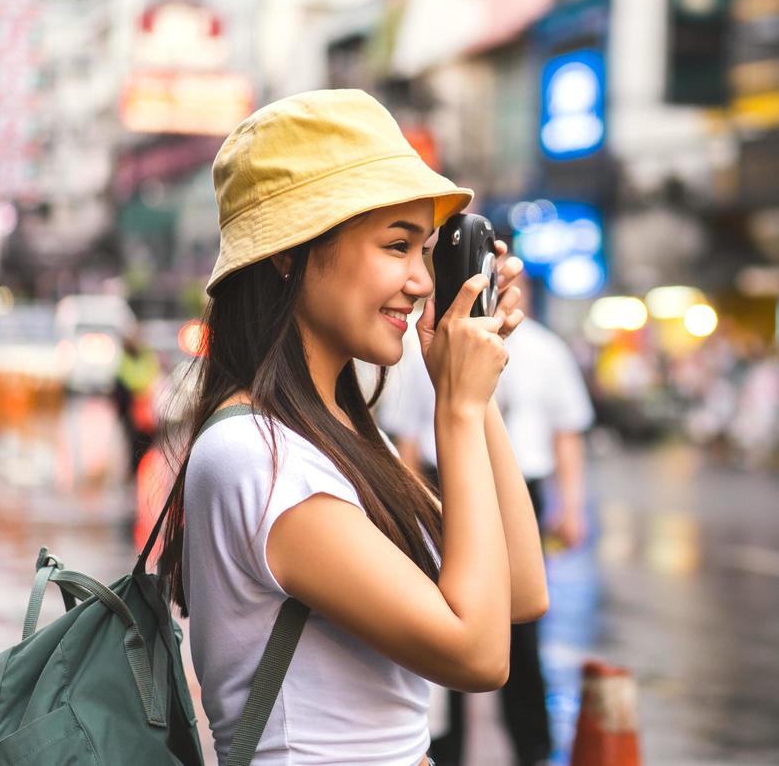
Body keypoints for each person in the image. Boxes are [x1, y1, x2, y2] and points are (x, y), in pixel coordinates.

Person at [153, 89, 548, 766]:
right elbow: (479, 655)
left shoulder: (333, 433)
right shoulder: (256, 456)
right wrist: (452, 406)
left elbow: (518, 592)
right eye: (398, 245)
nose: (422, 282)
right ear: (289, 251)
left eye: (426, 252)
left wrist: (475, 400)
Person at [381, 296, 593, 766]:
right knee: (447, 628)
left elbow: (566, 433)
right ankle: (448, 750)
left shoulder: (545, 349)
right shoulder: (422, 347)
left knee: (521, 639)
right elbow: (410, 440)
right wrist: (412, 505)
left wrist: (570, 506)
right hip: (441, 483)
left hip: (521, 486)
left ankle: (531, 749)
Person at [114, 329, 161, 475]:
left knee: (142, 440)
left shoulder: (144, 356)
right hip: (133, 407)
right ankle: (135, 470)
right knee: (134, 440)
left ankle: (138, 469)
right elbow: (134, 380)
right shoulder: (127, 359)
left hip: (143, 406)